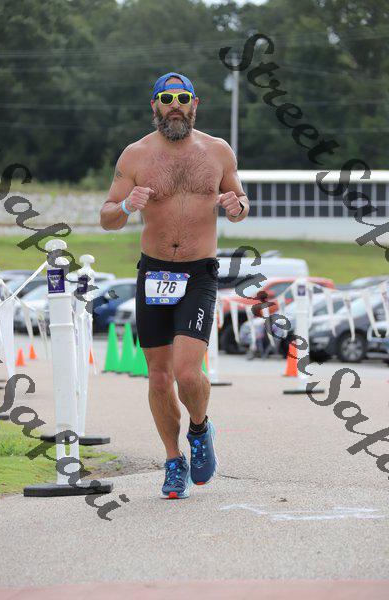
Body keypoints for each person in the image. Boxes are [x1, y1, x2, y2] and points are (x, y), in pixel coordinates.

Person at [100, 72, 249, 499]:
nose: (175, 105)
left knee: (187, 372)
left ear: (195, 103)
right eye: (166, 98)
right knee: (160, 378)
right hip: (154, 274)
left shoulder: (218, 151)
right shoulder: (136, 155)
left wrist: (236, 205)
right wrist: (126, 206)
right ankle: (172, 459)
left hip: (199, 273)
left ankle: (199, 431)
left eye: (183, 97)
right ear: (155, 105)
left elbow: (241, 202)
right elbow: (107, 217)